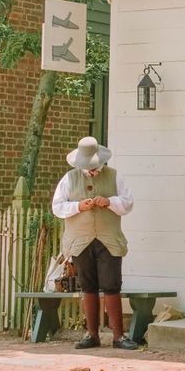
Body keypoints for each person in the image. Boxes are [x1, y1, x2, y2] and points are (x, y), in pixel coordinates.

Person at [52, 136, 138, 351]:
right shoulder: (69, 179)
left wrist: (109, 202)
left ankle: (119, 336)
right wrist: (79, 206)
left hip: (109, 239)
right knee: (88, 285)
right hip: (80, 240)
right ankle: (92, 334)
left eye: (94, 167)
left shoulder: (115, 176)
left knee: (112, 285)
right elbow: (58, 207)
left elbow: (127, 204)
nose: (91, 171)